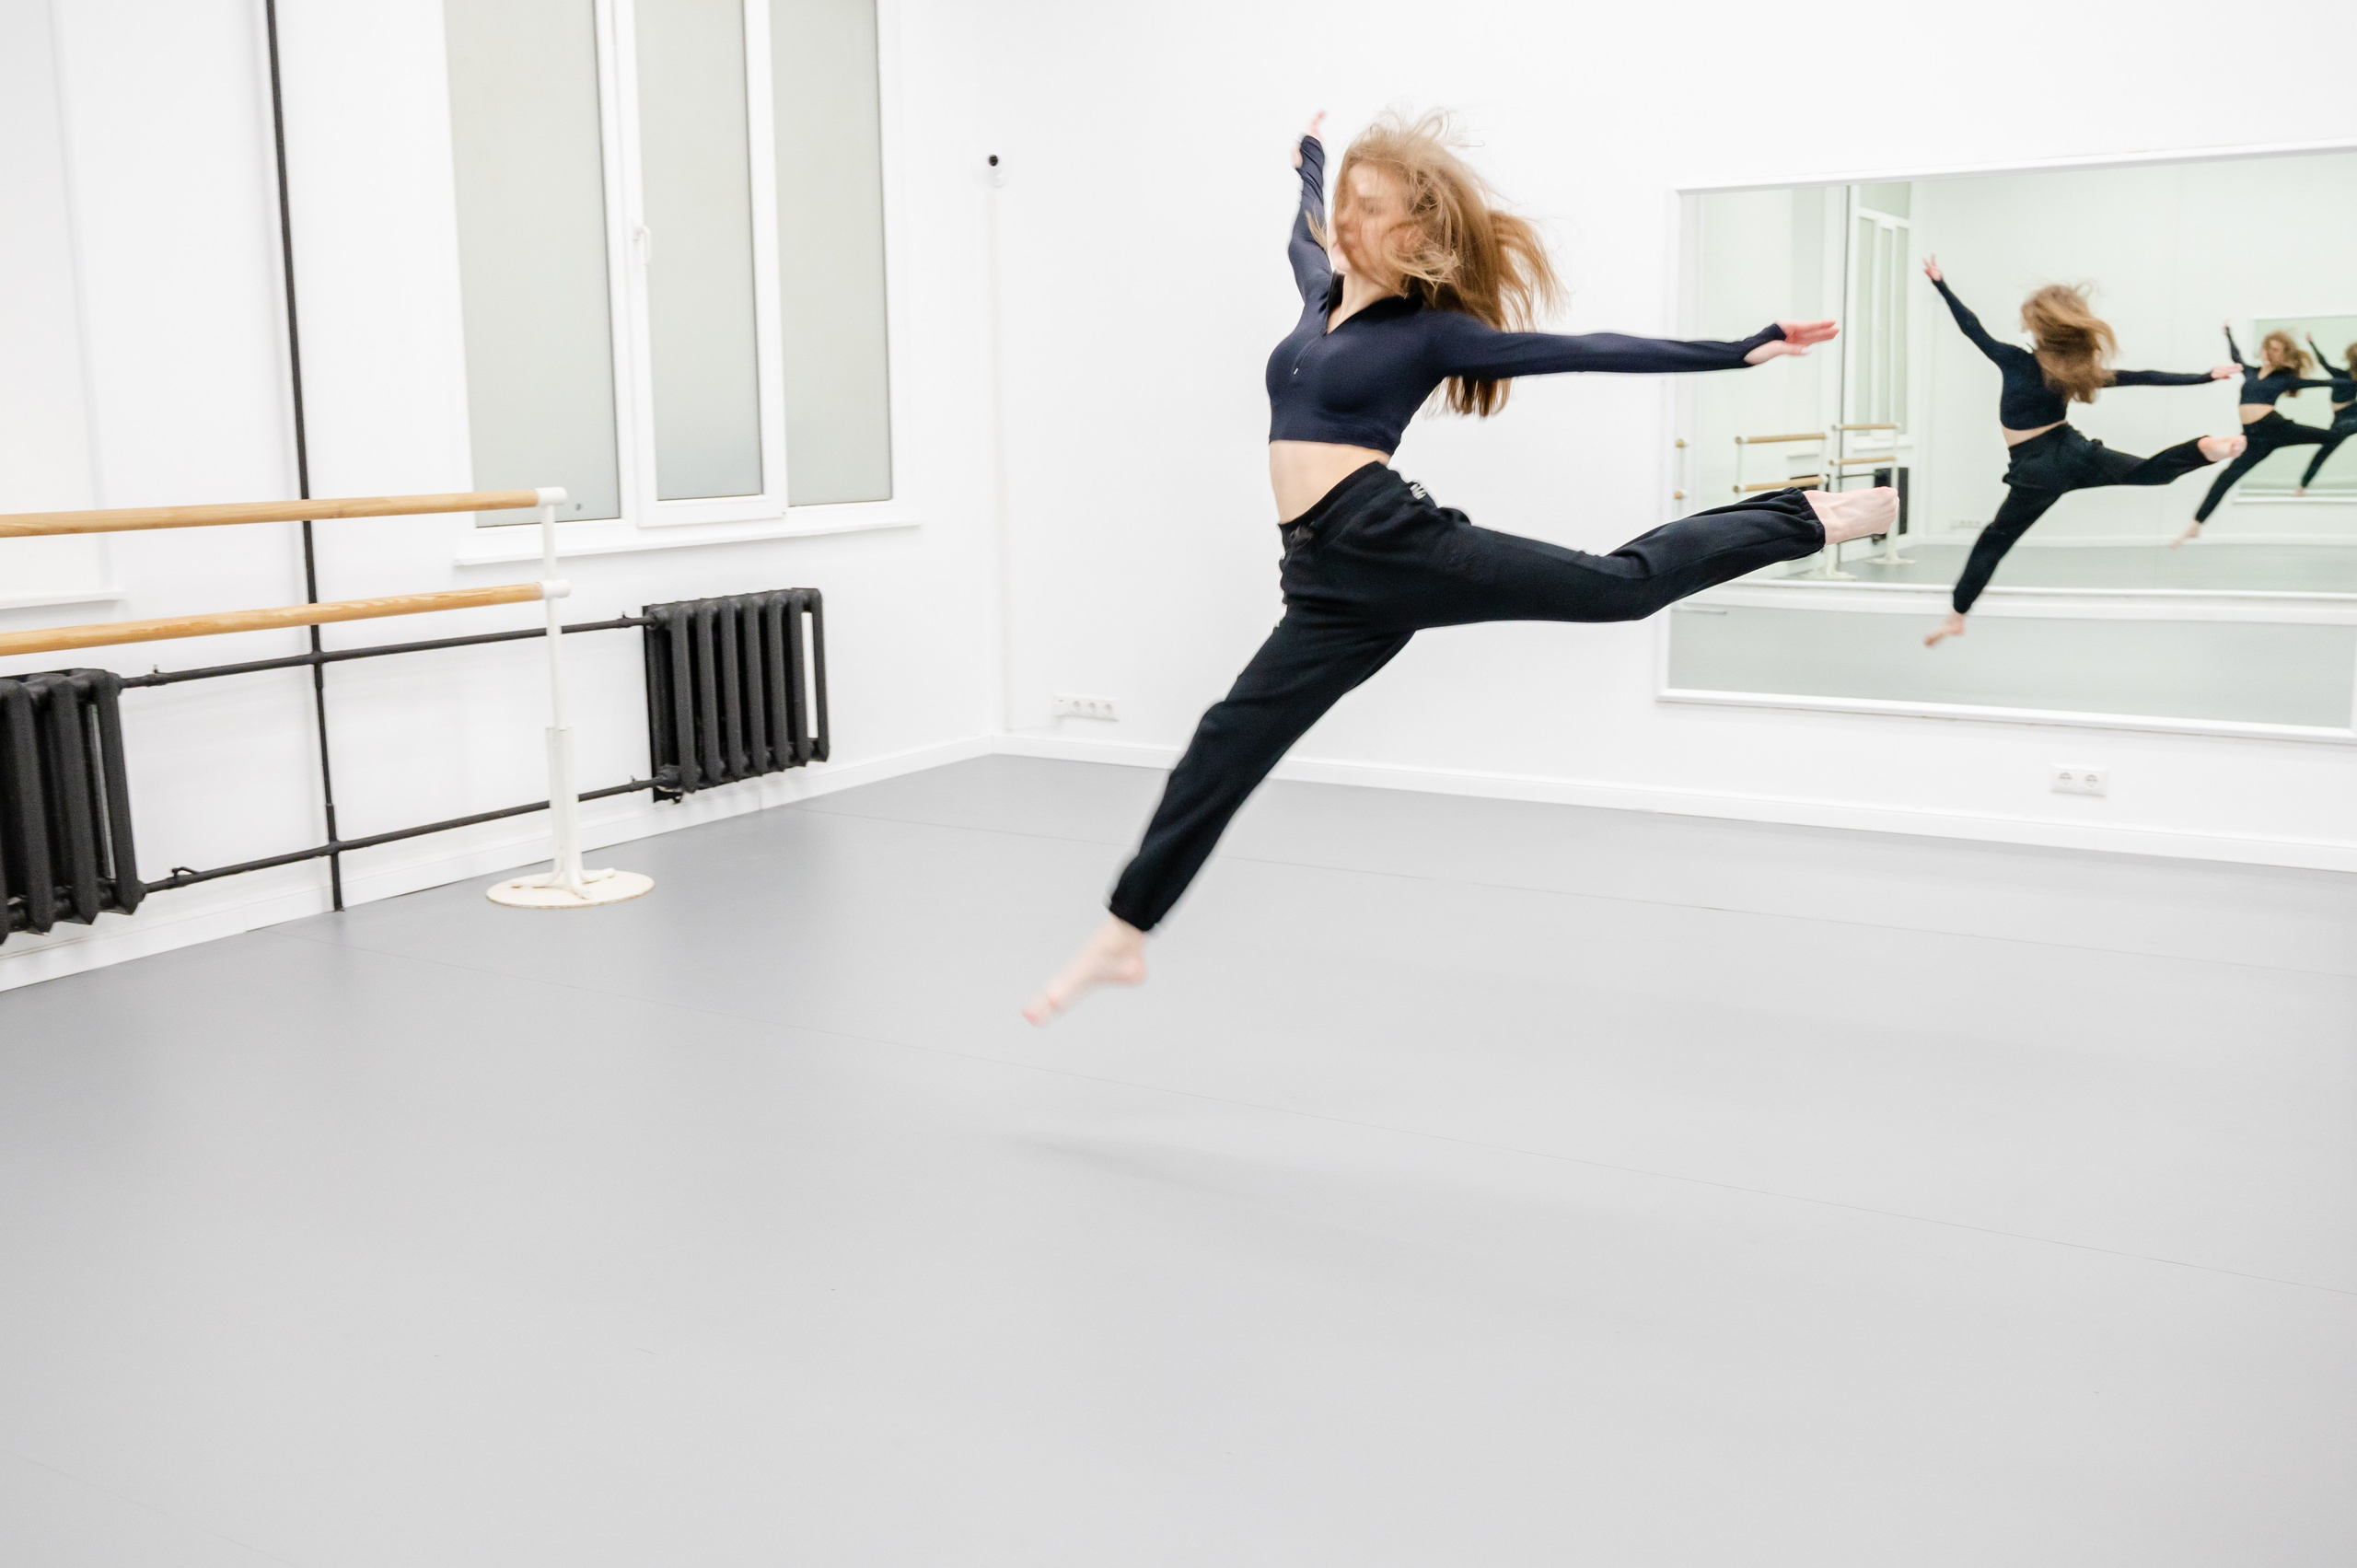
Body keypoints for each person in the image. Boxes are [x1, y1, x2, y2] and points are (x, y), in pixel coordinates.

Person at [1021, 110, 1896, 1025]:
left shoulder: (1429, 335)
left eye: (1371, 209)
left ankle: (1802, 516)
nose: (1345, 223)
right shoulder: (1317, 296)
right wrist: (1310, 164)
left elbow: (1586, 351)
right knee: (1225, 742)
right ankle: (1126, 929)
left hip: (1385, 538)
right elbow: (1301, 229)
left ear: (1414, 236)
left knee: (1618, 587)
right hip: (1321, 584)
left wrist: (1734, 349)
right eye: (1348, 206)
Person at [1919, 258, 2240, 648]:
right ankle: (2203, 450)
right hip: (2074, 450)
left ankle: (1956, 616)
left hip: (2036, 468)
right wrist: (2205, 377)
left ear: (2036, 326)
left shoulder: (2015, 360)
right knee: (2149, 473)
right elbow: (2144, 377)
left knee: (1995, 540)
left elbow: (1971, 328)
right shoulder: (2073, 372)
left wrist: (1941, 284)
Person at [2174, 326, 2340, 545]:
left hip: (2277, 428)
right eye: (2267, 348)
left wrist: (2349, 383)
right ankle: (2196, 524)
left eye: (2276, 350)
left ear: (2284, 355)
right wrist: (2229, 334)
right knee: (2227, 477)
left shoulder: (2284, 378)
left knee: (2331, 436)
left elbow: (2324, 383)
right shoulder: (2250, 372)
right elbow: (2236, 356)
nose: (2269, 353)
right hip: (2253, 438)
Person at [2294, 334, 2357, 494]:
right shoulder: (2340, 375)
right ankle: (2303, 486)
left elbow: (2324, 362)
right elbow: (2323, 362)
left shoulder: (2349, 376)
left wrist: (2312, 343)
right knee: (2324, 451)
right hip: (2342, 419)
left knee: (2324, 450)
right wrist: (2312, 343)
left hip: (2350, 415)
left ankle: (2302, 486)